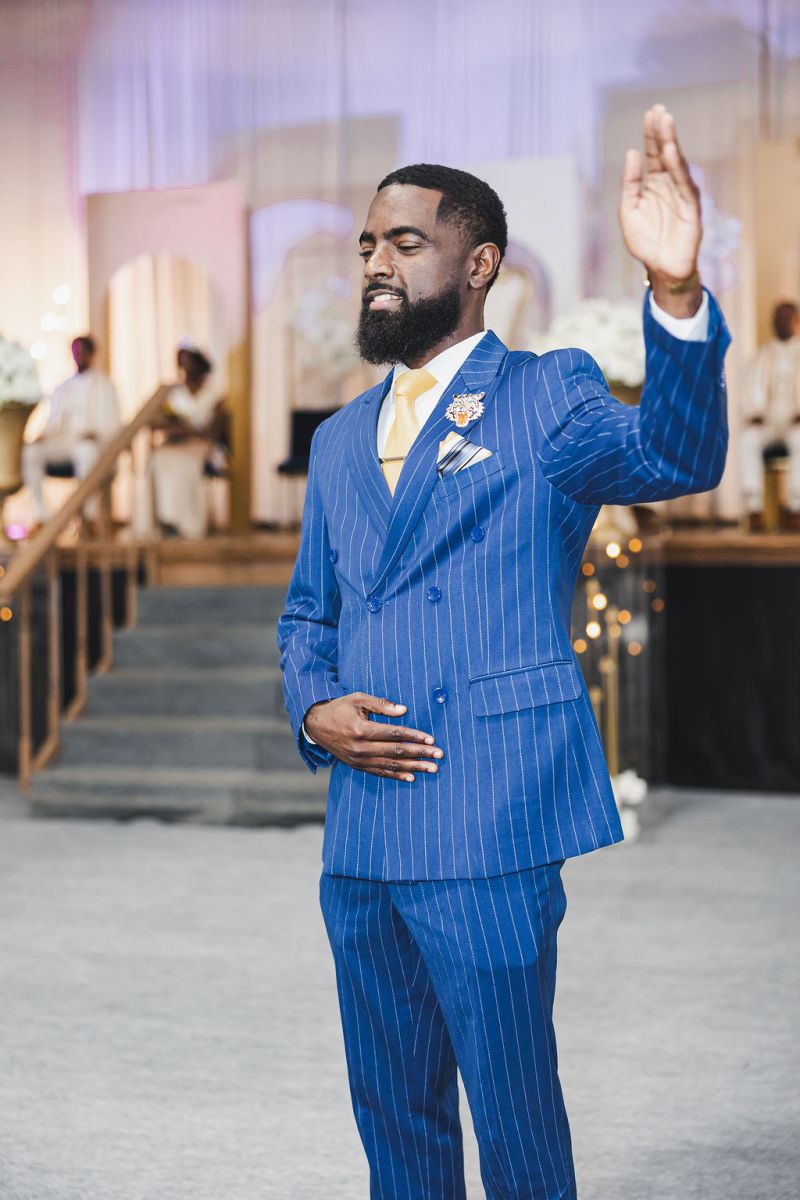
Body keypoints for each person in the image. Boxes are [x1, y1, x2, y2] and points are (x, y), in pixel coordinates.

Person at [277, 105, 729, 1200]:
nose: (375, 264)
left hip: (486, 809)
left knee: (513, 1112)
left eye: (405, 242)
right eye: (367, 245)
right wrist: (313, 708)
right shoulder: (337, 439)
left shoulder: (544, 395)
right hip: (362, 829)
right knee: (394, 1112)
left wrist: (674, 290)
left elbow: (675, 454)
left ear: (478, 264)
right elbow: (306, 618)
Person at [22, 335, 121, 530]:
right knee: (31, 451)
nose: (79, 356)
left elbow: (112, 423)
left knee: (87, 451)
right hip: (64, 442)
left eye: (83, 352)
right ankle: (42, 516)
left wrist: (95, 433)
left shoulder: (105, 385)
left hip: (93, 443)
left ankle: (88, 517)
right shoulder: (63, 386)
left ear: (92, 354)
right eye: (76, 352)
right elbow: (53, 422)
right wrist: (42, 436)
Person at [149, 341, 226, 539]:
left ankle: (191, 524)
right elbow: (157, 421)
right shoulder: (173, 393)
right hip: (176, 444)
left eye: (188, 362)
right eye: (181, 362)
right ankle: (168, 519)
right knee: (158, 459)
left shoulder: (213, 394)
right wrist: (176, 428)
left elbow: (215, 429)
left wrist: (190, 431)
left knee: (184, 463)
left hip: (204, 446)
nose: (185, 367)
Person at [739, 300, 800, 531]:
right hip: (768, 421)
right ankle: (755, 508)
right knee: (748, 439)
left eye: (787, 318)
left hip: (794, 422)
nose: (782, 323)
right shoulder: (762, 355)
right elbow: (748, 390)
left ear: (796, 321)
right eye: (778, 319)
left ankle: (795, 507)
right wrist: (754, 413)